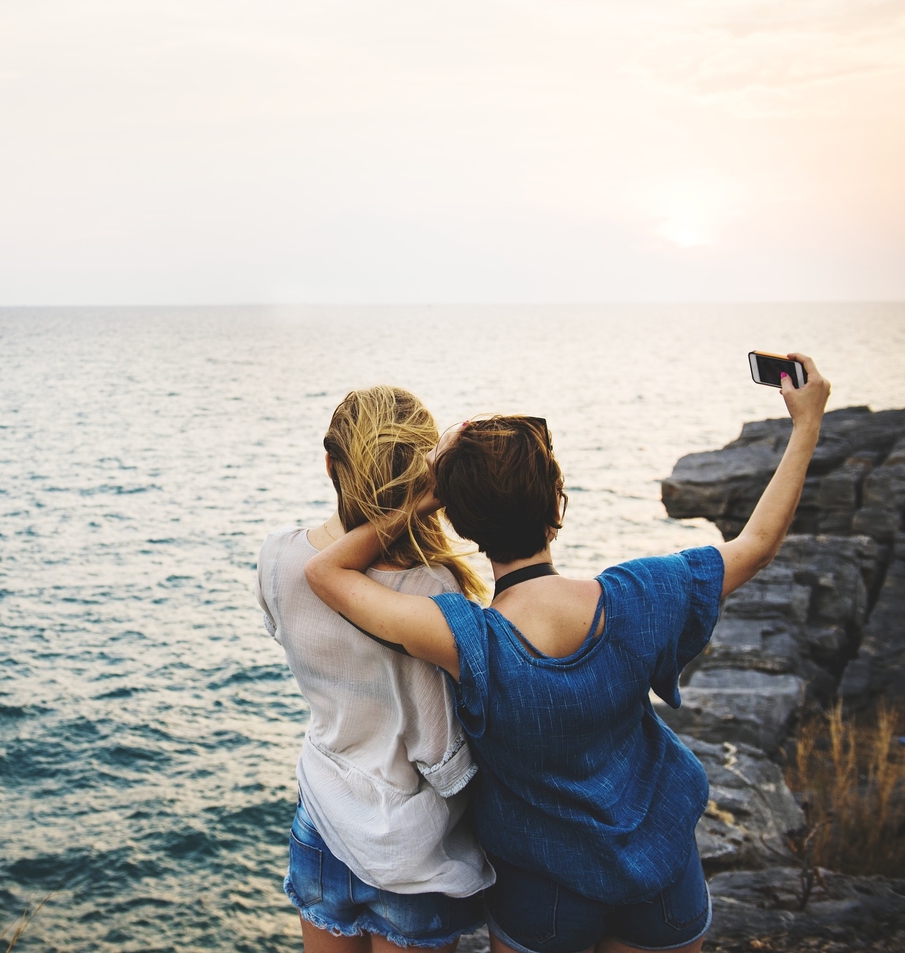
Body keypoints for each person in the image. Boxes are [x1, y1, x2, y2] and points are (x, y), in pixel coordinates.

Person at [304, 355, 830, 953]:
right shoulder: (640, 597)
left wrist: (422, 502)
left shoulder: (465, 639)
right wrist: (806, 423)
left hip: (542, 896)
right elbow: (756, 544)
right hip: (661, 877)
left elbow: (325, 573)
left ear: (466, 526)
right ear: (557, 506)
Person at [256, 386, 496, 953]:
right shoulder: (432, 588)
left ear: (330, 464)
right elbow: (442, 752)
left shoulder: (277, 557)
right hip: (413, 848)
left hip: (321, 819)